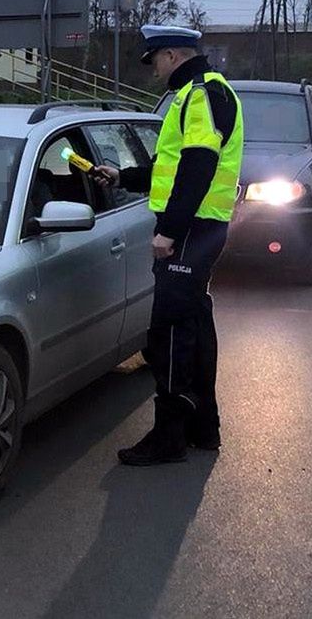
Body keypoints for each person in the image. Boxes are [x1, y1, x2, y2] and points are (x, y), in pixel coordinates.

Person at [92, 26, 244, 465]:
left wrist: (170, 231)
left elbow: (198, 165)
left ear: (173, 55)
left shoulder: (201, 94)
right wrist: (124, 177)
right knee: (193, 324)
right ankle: (203, 427)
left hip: (193, 229)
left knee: (170, 333)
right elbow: (171, 167)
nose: (154, 68)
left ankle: (169, 436)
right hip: (200, 226)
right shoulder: (201, 94)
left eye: (155, 59)